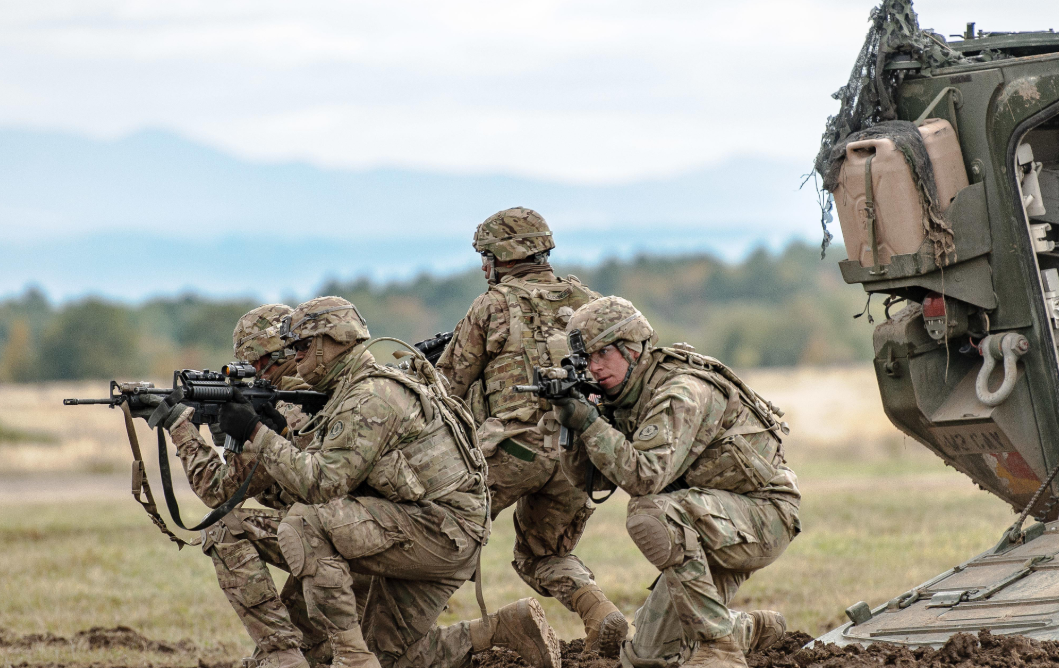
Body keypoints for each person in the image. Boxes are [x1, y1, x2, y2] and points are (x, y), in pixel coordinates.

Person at [216, 296, 561, 668]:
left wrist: (255, 433)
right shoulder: (353, 390)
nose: (294, 357)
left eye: (302, 345)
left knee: (306, 520)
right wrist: (280, 430)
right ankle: (499, 631)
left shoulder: (370, 396)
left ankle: (351, 658)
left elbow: (321, 485)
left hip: (438, 532)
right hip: (442, 533)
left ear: (333, 341)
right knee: (392, 659)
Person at [552, 296, 799, 668]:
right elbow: (594, 482)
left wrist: (591, 423)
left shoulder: (680, 390)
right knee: (647, 656)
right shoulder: (621, 396)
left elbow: (644, 477)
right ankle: (747, 630)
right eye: (587, 358)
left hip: (761, 516)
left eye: (603, 353)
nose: (594, 366)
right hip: (705, 522)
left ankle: (720, 648)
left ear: (632, 347)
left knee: (650, 512)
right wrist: (573, 425)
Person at [436, 207, 629, 657]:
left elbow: (446, 387)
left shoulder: (492, 304)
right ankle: (599, 613)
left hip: (513, 449)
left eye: (486, 256)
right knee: (543, 555)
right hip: (578, 453)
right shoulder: (589, 301)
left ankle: (399, 639)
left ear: (501, 257)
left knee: (442, 536)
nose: (484, 267)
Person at [135, 304, 343, 668]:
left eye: (255, 364)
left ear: (264, 359)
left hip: (339, 548)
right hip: (349, 542)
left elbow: (218, 491)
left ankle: (283, 656)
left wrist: (179, 425)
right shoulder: (322, 392)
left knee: (222, 529)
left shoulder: (290, 406)